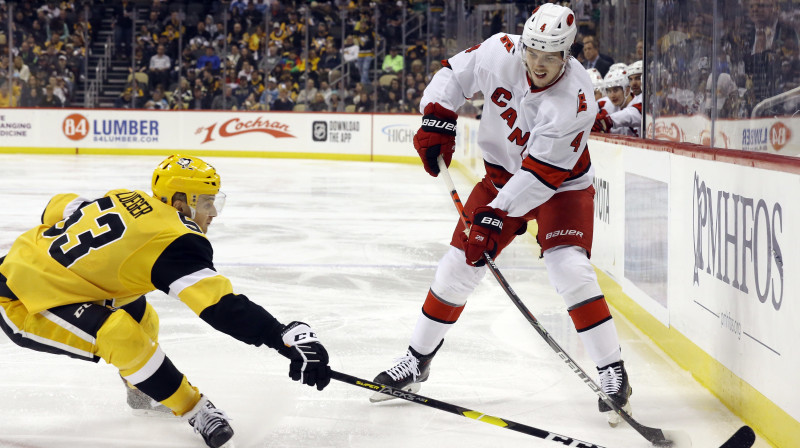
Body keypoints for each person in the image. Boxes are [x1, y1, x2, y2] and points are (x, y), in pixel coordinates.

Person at [372, 4, 633, 427]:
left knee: (569, 267)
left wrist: (494, 217)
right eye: (533, 52)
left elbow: (541, 176)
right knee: (456, 266)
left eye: (550, 56)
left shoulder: (577, 99)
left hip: (559, 186)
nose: (538, 63)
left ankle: (612, 370)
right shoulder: (500, 51)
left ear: (568, 54)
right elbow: (453, 76)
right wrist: (438, 117)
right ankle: (416, 360)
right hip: (498, 177)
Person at [0, 155, 332, 448]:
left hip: (37, 271)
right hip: (21, 299)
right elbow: (220, 306)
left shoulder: (126, 197)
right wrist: (281, 335)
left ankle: (140, 389)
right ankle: (195, 409)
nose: (213, 212)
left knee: (143, 320)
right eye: (205, 202)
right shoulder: (175, 239)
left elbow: (61, 204)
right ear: (178, 202)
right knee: (119, 332)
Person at [593, 62, 643, 136]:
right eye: (609, 91)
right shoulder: (609, 105)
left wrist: (609, 120)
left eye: (616, 90)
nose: (612, 95)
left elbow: (631, 114)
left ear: (627, 90)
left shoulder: (641, 100)